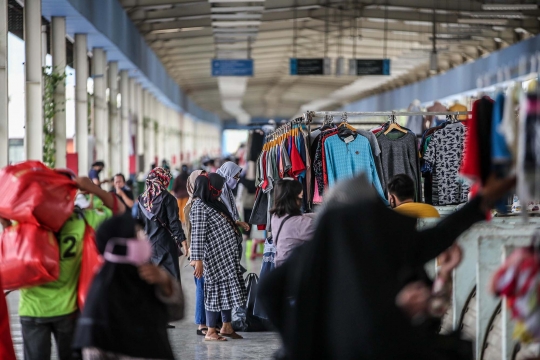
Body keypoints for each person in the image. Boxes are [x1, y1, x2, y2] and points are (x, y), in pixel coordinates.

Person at [258, 173, 515, 360]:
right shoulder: (387, 245)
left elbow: (268, 290)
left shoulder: (316, 253)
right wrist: (482, 200)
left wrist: (298, 339)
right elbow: (439, 237)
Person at [10, 177, 126, 360]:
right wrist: (94, 189)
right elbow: (119, 209)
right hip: (68, 311)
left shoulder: (25, 222)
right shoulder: (81, 220)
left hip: (32, 310)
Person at [73, 214, 184, 360]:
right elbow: (94, 350)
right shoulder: (103, 291)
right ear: (120, 245)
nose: (144, 239)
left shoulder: (146, 276)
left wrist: (165, 282)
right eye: (136, 235)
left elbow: (176, 313)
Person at [190, 173, 247, 341]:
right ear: (209, 188)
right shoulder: (199, 205)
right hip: (214, 259)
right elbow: (198, 235)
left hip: (226, 258)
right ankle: (210, 332)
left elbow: (220, 220)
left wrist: (236, 223)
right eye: (218, 188)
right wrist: (198, 260)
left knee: (226, 292)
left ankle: (226, 327)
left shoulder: (213, 202)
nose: (221, 191)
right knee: (214, 292)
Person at [138, 167, 187, 281]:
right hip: (165, 245)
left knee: (153, 281)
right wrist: (183, 242)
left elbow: (140, 225)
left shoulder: (141, 199)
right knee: (171, 280)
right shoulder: (168, 198)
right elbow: (174, 222)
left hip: (148, 246)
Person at [182, 169, 207, 335]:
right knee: (201, 286)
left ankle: (206, 321)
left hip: (198, 252)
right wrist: (194, 256)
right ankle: (201, 323)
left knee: (203, 285)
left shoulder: (199, 202)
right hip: (197, 253)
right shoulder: (193, 205)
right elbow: (193, 233)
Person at [270, 178, 316, 267]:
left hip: (280, 267)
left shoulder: (276, 216)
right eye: (301, 197)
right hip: (294, 271)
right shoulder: (301, 223)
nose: (301, 201)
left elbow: (301, 218)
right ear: (293, 199)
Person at [216, 161, 250, 233]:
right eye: (235, 177)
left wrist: (238, 223)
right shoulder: (218, 193)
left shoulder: (227, 192)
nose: (237, 180)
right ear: (227, 175)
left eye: (238, 177)